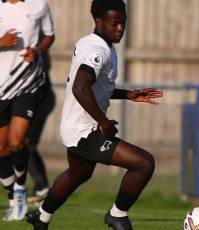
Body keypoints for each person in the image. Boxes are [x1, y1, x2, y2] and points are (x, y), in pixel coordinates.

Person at [26, 0, 163, 229]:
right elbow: (80, 87)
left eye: (123, 23)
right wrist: (104, 123)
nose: (120, 28)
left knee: (78, 174)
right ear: (99, 21)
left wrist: (128, 94)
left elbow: (92, 86)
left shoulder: (95, 43)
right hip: (85, 130)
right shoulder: (97, 50)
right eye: (114, 23)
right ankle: (117, 215)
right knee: (143, 163)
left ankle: (41, 217)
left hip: (76, 125)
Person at [0, 0, 55, 221]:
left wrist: (38, 50)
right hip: (1, 87)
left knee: (16, 142)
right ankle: (13, 199)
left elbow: (49, 36)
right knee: (2, 148)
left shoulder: (39, 4)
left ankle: (21, 189)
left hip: (28, 83)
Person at [26, 44, 55, 204]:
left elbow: (44, 68)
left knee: (26, 143)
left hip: (41, 100)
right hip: (27, 100)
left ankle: (42, 188)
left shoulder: (36, 45)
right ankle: (40, 187)